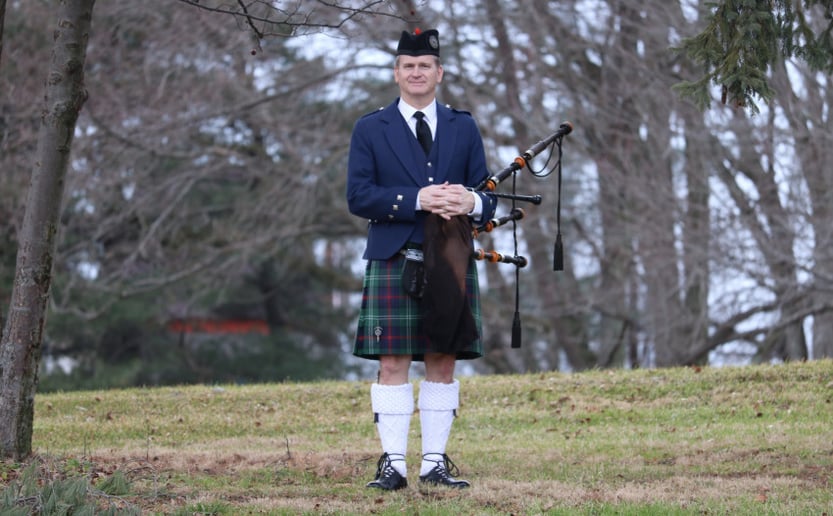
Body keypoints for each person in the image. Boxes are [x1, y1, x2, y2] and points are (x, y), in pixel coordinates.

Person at [346, 28, 497, 491]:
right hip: (394, 256)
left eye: (425, 66)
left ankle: (434, 464)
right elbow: (358, 196)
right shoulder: (371, 128)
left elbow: (488, 197)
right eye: (408, 66)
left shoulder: (463, 126)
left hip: (449, 257)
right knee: (392, 361)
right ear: (396, 73)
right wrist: (416, 198)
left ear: (439, 73)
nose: (416, 72)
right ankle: (393, 464)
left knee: (443, 358)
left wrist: (470, 204)